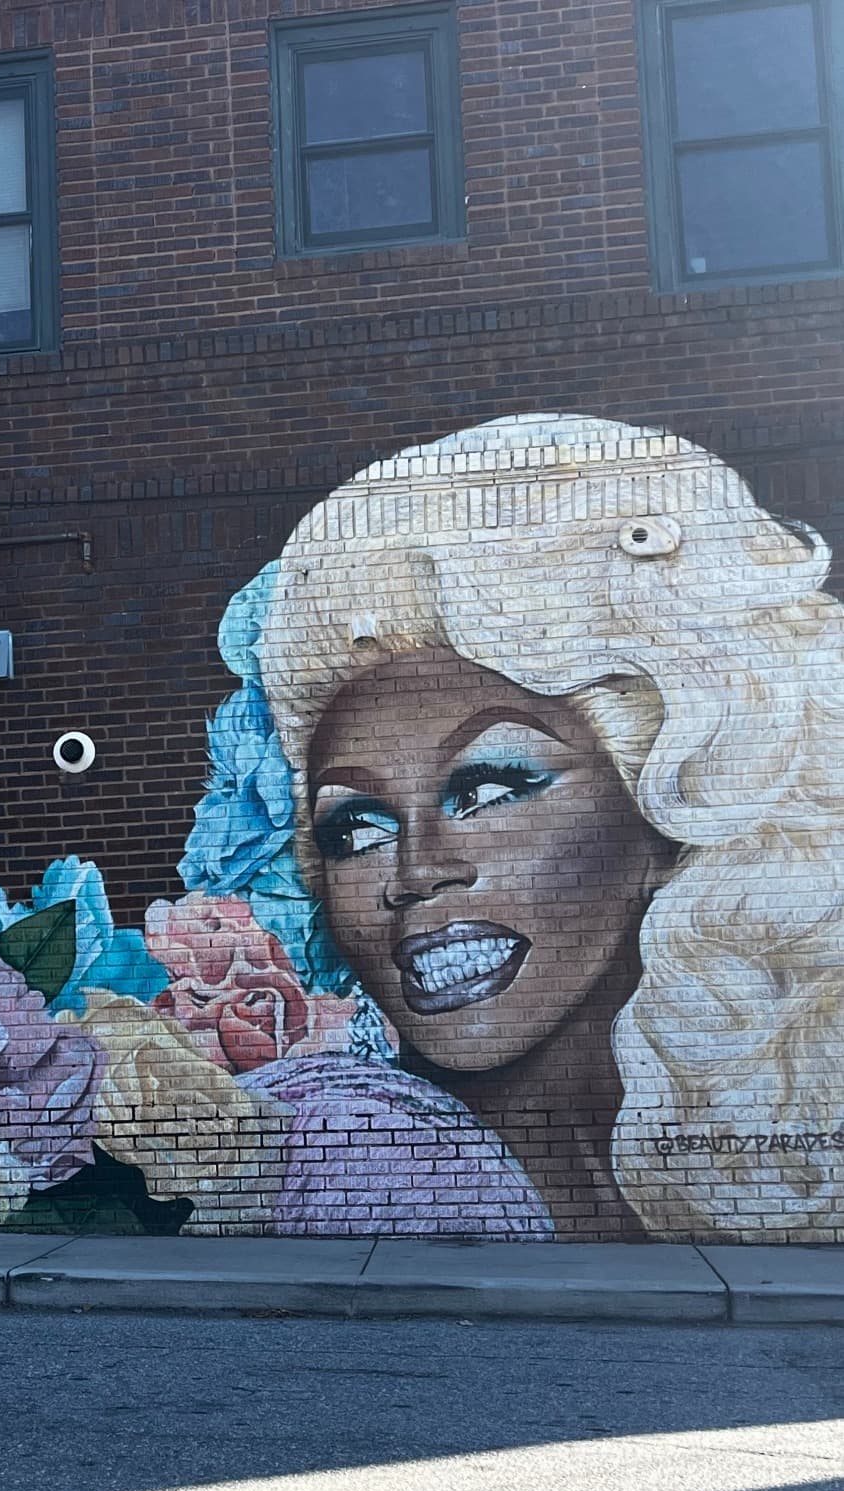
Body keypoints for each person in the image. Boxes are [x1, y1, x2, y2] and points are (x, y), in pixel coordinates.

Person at [252, 412, 844, 1238]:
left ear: (667, 807)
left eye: (492, 788)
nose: (416, 871)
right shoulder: (300, 1160)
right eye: (355, 827)